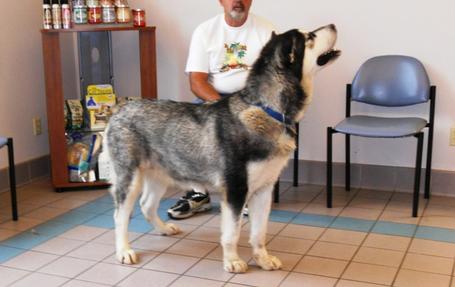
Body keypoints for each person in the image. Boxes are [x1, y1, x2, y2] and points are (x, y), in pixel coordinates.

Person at [167, 0, 275, 219]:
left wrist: (250, 105)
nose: (237, 1)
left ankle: (246, 193)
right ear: (221, 1)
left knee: (253, 131)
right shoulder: (205, 31)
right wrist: (224, 108)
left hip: (253, 99)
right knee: (192, 129)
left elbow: (273, 79)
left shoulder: (267, 31)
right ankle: (198, 194)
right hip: (215, 100)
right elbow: (197, 82)